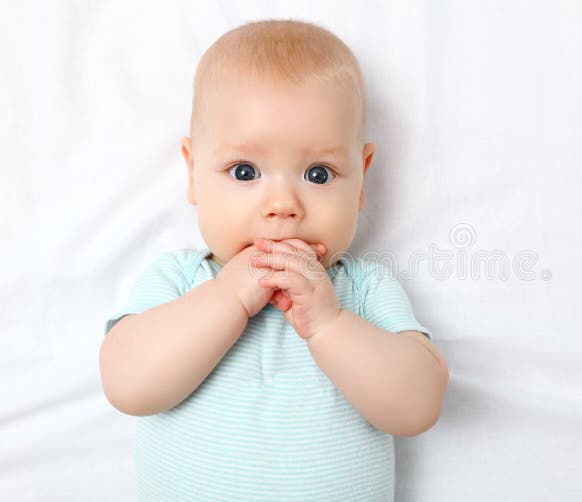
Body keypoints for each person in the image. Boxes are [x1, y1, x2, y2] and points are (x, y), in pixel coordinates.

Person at [99, 19, 449, 500]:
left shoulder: (363, 290)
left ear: (361, 181)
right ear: (194, 173)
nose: (283, 205)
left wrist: (329, 323)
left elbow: (418, 408)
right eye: (244, 171)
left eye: (319, 174)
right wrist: (226, 297)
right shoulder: (180, 279)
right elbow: (127, 385)